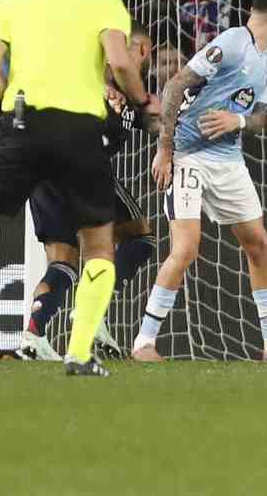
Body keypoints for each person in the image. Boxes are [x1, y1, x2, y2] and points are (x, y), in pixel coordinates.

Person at [0, 0, 156, 376]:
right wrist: (141, 99)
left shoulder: (11, 0)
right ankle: (80, 352)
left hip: (22, 124)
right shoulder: (103, 0)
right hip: (79, 133)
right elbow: (122, 64)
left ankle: (44, 335)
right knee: (100, 245)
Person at [134, 0, 267, 363]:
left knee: (259, 245)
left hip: (229, 161)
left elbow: (260, 117)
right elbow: (176, 84)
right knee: (186, 247)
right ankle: (144, 343)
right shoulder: (231, 42)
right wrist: (165, 149)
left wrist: (237, 119)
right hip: (189, 156)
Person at [17, 25, 160, 362]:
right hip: (79, 170)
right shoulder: (92, 82)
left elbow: (153, 120)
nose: (146, 61)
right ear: (137, 50)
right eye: (146, 52)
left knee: (63, 262)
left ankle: (32, 336)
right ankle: (91, 317)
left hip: (43, 177)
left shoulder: (125, 95)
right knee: (139, 238)